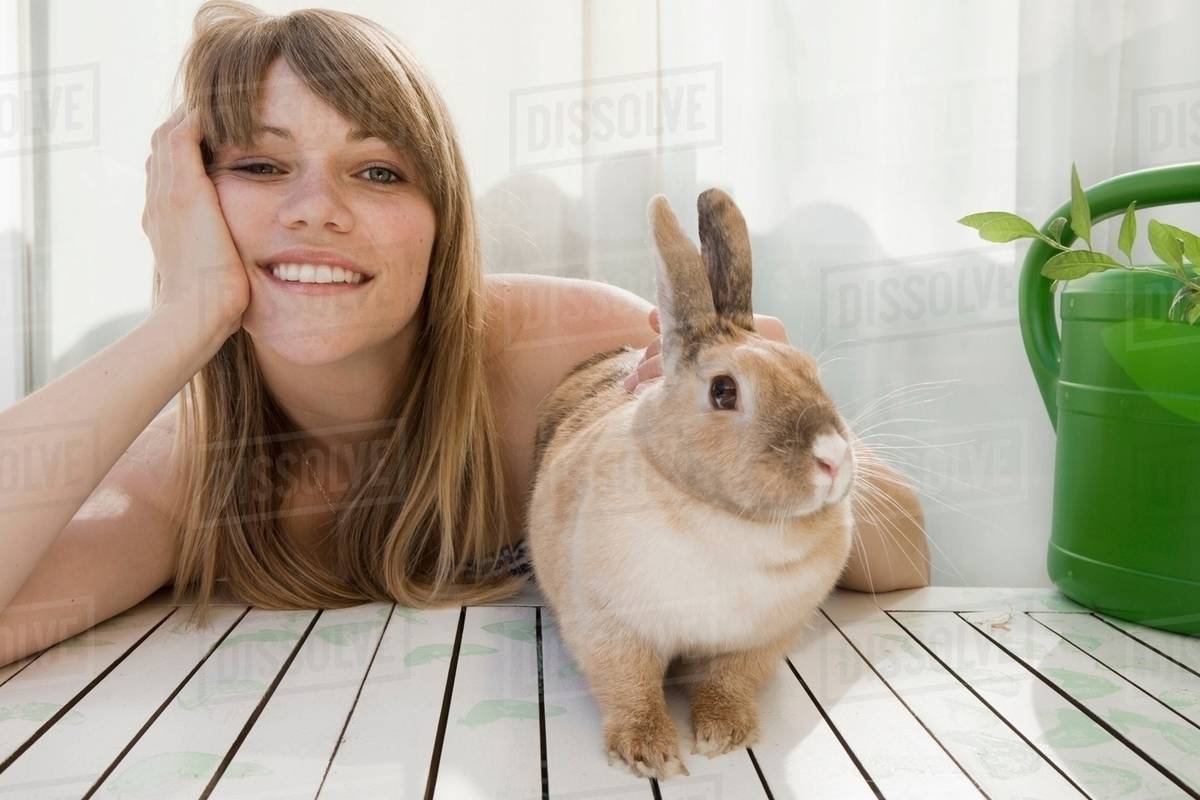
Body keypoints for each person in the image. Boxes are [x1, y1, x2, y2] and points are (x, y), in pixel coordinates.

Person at [0, 0, 928, 668]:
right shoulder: (191, 472)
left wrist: (752, 449)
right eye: (260, 164)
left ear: (442, 222)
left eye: (376, 171)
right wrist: (183, 317)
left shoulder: (569, 353)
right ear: (189, 203)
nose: (315, 208)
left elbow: (903, 555)